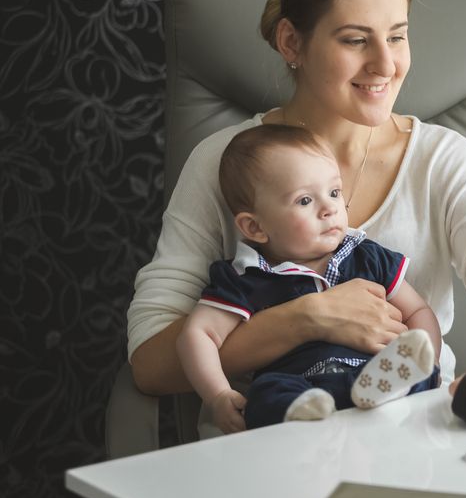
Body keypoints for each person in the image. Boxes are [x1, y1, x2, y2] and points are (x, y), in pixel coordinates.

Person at [127, 0, 466, 436]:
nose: (385, 64)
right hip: (270, 444)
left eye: (396, 35)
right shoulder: (222, 163)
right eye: (356, 40)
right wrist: (306, 318)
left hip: (414, 440)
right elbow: (151, 361)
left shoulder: (444, 161)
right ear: (292, 42)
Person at [177, 124, 442, 433]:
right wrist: (218, 395)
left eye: (334, 192)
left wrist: (430, 359)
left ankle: (382, 389)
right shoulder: (247, 276)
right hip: (300, 385)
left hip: (374, 373)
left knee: (417, 372)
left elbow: (418, 311)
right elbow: (197, 335)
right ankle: (305, 411)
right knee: (265, 394)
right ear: (254, 228)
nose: (330, 208)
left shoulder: (366, 256)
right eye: (305, 200)